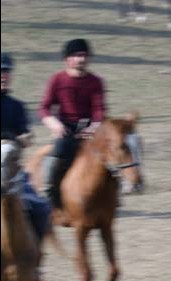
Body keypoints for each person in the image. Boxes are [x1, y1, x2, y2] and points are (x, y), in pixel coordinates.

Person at [37, 38, 107, 208]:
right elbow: (44, 108)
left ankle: (113, 196)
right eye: (77, 55)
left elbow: (99, 110)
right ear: (67, 59)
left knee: (110, 154)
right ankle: (50, 192)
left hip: (90, 129)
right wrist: (54, 124)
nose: (81, 59)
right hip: (65, 128)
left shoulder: (96, 82)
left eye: (84, 55)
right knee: (58, 152)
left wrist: (94, 127)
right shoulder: (57, 80)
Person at [0, 52, 51, 240]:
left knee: (41, 209)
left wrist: (24, 137)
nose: (3, 76)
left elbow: (26, 135)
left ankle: (35, 255)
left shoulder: (17, 106)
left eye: (6, 71)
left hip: (12, 173)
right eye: (0, 72)